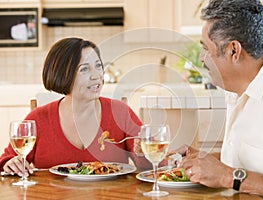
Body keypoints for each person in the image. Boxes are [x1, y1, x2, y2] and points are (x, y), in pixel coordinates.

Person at [179, 0, 263, 199]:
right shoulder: (238, 90)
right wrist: (204, 163)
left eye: (206, 48)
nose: (202, 57)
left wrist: (226, 176)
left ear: (233, 50)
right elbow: (253, 165)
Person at [0, 37, 151, 176]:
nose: (96, 75)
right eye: (84, 69)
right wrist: (10, 164)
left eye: (98, 66)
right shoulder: (38, 119)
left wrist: (143, 152)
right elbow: (7, 161)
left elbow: (151, 169)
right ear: (63, 75)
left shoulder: (120, 113)